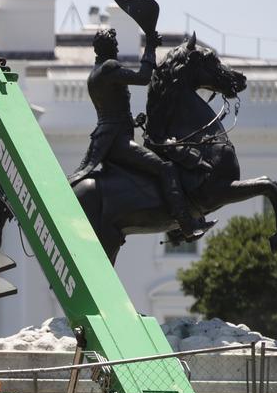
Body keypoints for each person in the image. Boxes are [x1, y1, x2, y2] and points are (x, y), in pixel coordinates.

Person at [68, 28, 215, 241]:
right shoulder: (109, 67)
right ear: (107, 47)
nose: (118, 47)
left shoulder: (95, 73)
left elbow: (114, 111)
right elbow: (143, 77)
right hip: (118, 142)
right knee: (166, 167)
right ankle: (185, 225)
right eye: (115, 43)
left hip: (108, 140)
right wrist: (151, 46)